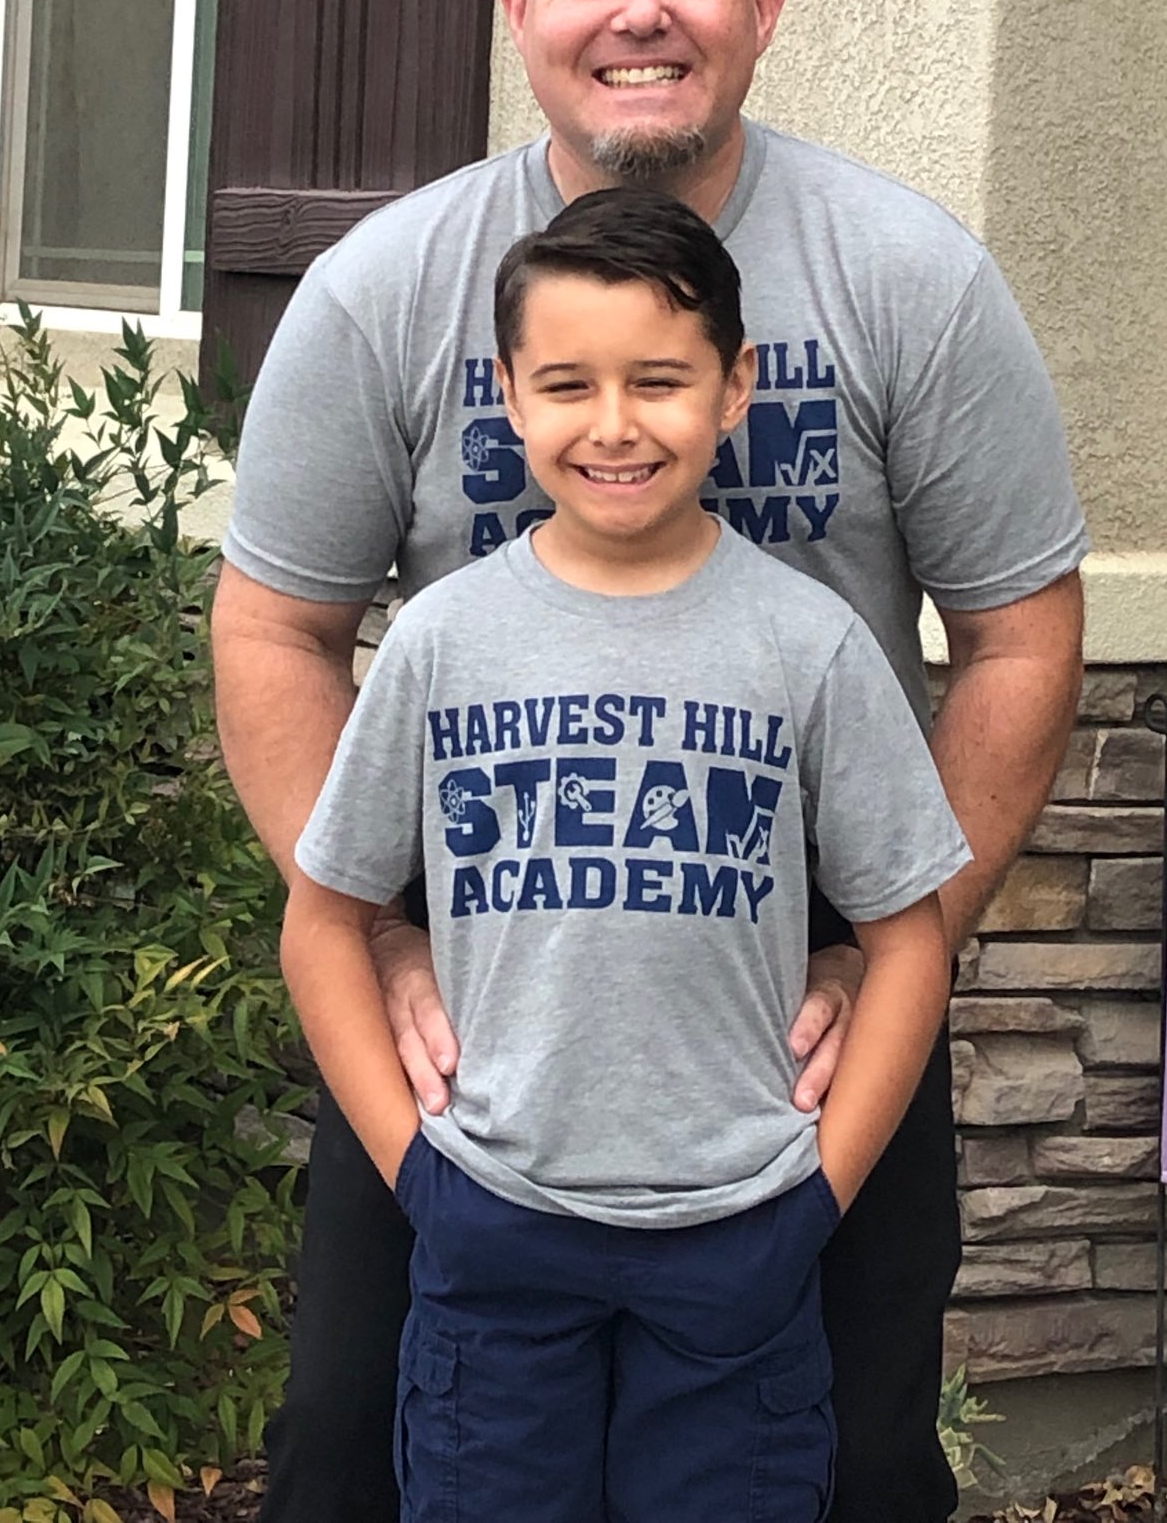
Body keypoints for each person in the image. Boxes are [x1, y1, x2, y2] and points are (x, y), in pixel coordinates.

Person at [213, 0, 1088, 1523]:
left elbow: (1017, 636)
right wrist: (379, 934)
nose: (642, 12)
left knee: (843, 1468)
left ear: (761, 6)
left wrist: (889, 955)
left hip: (801, 980)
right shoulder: (387, 290)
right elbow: (274, 627)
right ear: (518, 6)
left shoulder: (908, 279)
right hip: (486, 979)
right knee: (355, 1456)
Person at [280, 187, 973, 1521]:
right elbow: (323, 922)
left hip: (741, 1235)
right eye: (567, 384)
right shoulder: (438, 643)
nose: (614, 424)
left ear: (735, 387)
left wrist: (816, 1197)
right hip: (492, 1226)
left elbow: (908, 939)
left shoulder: (810, 645)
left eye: (659, 380)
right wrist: (419, 1174)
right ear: (507, 396)